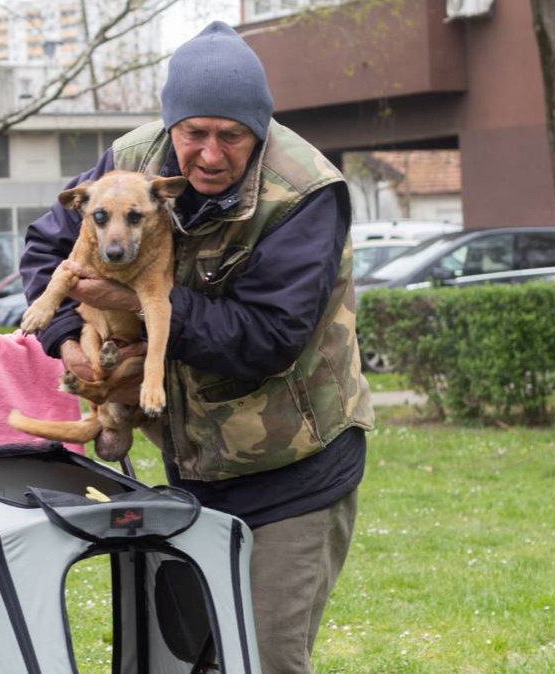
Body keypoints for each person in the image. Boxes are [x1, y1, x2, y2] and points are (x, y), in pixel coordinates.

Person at [19, 21, 374, 674]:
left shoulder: (303, 195)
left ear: (258, 131)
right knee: (186, 659)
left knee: (265, 659)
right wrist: (65, 337)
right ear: (170, 127)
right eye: (194, 134)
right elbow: (49, 250)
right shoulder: (131, 159)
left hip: (292, 470)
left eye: (231, 136)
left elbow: (268, 338)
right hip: (190, 467)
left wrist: (140, 307)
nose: (209, 155)